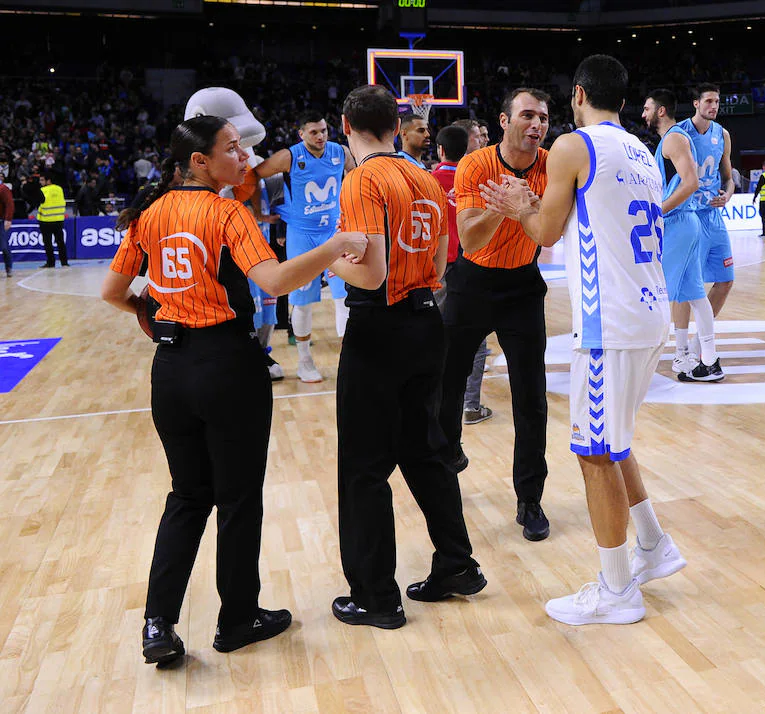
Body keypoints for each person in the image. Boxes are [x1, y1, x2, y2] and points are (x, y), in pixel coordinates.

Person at [100, 115, 367, 664]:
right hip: (227, 366)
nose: (244, 158)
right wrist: (335, 246)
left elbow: (113, 290)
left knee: (187, 496)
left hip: (170, 371)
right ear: (199, 161)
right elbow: (273, 282)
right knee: (238, 499)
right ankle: (238, 617)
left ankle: (158, 623)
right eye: (231, 150)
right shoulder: (226, 212)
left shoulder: (150, 214)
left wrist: (154, 320)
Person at [481, 54, 685, 626]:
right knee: (614, 439)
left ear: (576, 94)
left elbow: (545, 233)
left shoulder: (575, 146)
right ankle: (652, 546)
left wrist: (522, 206)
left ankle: (617, 591)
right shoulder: (642, 149)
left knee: (594, 452)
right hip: (648, 313)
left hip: (609, 323)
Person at [329, 85, 485, 630]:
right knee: (426, 453)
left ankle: (376, 596)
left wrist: (329, 261)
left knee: (364, 468)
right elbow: (442, 261)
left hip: (379, 326)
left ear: (346, 127)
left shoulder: (362, 180)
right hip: (426, 322)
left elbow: (369, 271)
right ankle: (457, 565)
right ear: (397, 125)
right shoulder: (422, 175)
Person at [440, 87, 552, 541]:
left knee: (532, 397)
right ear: (504, 122)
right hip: (472, 282)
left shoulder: (552, 165)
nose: (537, 125)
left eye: (543, 118)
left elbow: (553, 232)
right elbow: (468, 239)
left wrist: (529, 208)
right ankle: (446, 461)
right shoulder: (475, 164)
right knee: (446, 383)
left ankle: (530, 498)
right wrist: (502, 207)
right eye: (527, 115)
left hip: (523, 284)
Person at [255, 110, 355, 382]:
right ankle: (304, 361)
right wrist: (262, 212)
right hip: (302, 236)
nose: (321, 136)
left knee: (344, 298)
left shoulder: (341, 152)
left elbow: (358, 179)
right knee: (303, 303)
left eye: (323, 130)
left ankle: (352, 362)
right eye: (314, 132)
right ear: (301, 134)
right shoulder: (290, 156)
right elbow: (256, 175)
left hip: (333, 234)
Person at [643, 89, 724, 382]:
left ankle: (643, 359)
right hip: (684, 222)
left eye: (647, 108)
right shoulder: (673, 138)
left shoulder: (675, 138)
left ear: (661, 110)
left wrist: (658, 211)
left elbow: (690, 183)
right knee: (695, 293)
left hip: (678, 222)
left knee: (659, 292)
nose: (644, 114)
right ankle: (709, 361)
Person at [432, 125, 494, 425]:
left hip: (438, 268)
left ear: (440, 150)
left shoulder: (427, 180)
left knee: (435, 334)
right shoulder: (479, 179)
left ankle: (433, 402)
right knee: (476, 341)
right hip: (472, 266)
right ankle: (470, 405)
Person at [678, 83, 736, 340]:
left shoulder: (722, 134)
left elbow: (729, 178)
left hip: (714, 218)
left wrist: (728, 194)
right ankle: (681, 344)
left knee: (726, 280)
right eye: (709, 101)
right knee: (687, 284)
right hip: (689, 217)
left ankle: (700, 339)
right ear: (696, 103)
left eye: (717, 101)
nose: (714, 106)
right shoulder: (680, 133)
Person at [37, 171, 68, 268]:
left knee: (48, 243)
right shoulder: (59, 189)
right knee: (60, 242)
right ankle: (64, 262)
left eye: (42, 180)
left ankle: (51, 263)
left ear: (48, 181)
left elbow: (39, 203)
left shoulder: (43, 190)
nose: (40, 182)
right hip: (59, 220)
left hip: (45, 220)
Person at [0, 181, 13, 277]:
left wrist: (8, 219)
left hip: (1, 221)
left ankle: (9, 268)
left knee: (4, 247)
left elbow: (9, 204)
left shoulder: (3, 188)